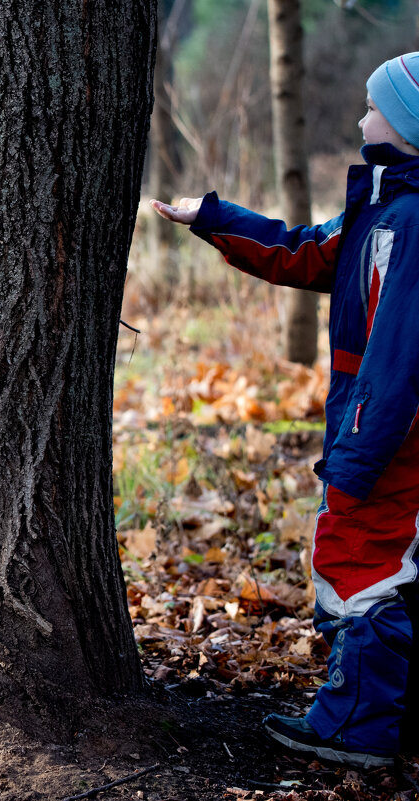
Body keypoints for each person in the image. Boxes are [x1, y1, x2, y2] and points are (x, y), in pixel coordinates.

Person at [152, 52, 419, 769]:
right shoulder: (382, 203)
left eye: (371, 107)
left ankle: (353, 726)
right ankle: (384, 713)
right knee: (388, 564)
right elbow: (304, 251)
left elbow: (400, 360)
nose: (359, 117)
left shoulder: (413, 223)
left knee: (362, 565)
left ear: (405, 125)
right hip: (374, 427)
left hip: (390, 436)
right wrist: (210, 218)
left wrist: (359, 450)